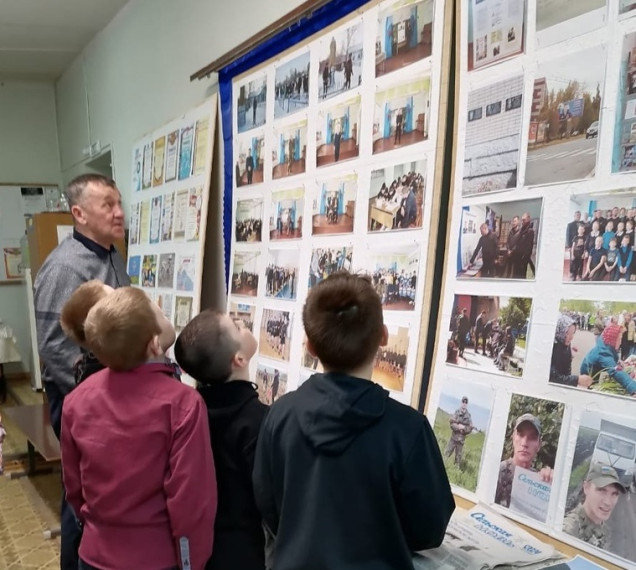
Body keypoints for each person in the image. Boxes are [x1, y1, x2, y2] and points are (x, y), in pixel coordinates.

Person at [253, 271, 454, 569]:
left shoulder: (279, 414)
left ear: (309, 346)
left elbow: (268, 505)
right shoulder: (408, 429)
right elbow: (429, 527)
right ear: (383, 336)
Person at [60, 285, 216, 570]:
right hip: (156, 559)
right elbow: (191, 501)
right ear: (155, 344)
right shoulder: (183, 404)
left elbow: (73, 486)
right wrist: (190, 562)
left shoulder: (75, 401)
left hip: (93, 555)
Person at [33, 173, 130, 570]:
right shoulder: (64, 269)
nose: (119, 212)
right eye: (107, 204)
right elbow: (55, 349)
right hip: (84, 403)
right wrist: (100, 399)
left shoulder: (111, 254)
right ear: (79, 213)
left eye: (118, 202)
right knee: (82, 498)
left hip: (117, 396)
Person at [174, 309, 268, 570]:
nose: (242, 323)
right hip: (245, 551)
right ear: (239, 359)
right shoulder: (258, 421)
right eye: (237, 326)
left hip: (202, 547)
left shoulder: (190, 412)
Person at [495, 414, 554, 508]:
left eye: (532, 437)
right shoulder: (498, 472)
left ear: (539, 444)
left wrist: (549, 486)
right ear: (513, 438)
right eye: (521, 435)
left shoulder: (537, 481)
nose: (524, 443)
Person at [562, 462, 626, 549]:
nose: (608, 502)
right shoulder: (569, 530)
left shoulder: (604, 529)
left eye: (614, 494)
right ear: (586, 488)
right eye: (602, 490)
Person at [580, 323, 636, 394]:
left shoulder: (606, 343)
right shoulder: (603, 354)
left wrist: (617, 361)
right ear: (613, 339)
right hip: (589, 378)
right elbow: (615, 371)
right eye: (619, 339)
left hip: (595, 373)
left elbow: (612, 357)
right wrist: (633, 388)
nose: (620, 342)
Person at [549, 314, 593, 389]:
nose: (571, 337)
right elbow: (552, 378)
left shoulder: (564, 342)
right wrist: (577, 380)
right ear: (560, 330)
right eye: (567, 333)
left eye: (573, 333)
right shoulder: (551, 349)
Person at [445, 396, 474, 467]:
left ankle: (455, 473)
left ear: (467, 404)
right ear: (461, 403)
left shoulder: (468, 416)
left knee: (458, 460)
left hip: (461, 441)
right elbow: (452, 424)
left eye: (466, 402)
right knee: (445, 456)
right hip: (453, 439)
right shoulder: (456, 412)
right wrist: (458, 427)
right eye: (463, 402)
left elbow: (470, 428)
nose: (464, 404)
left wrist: (463, 428)